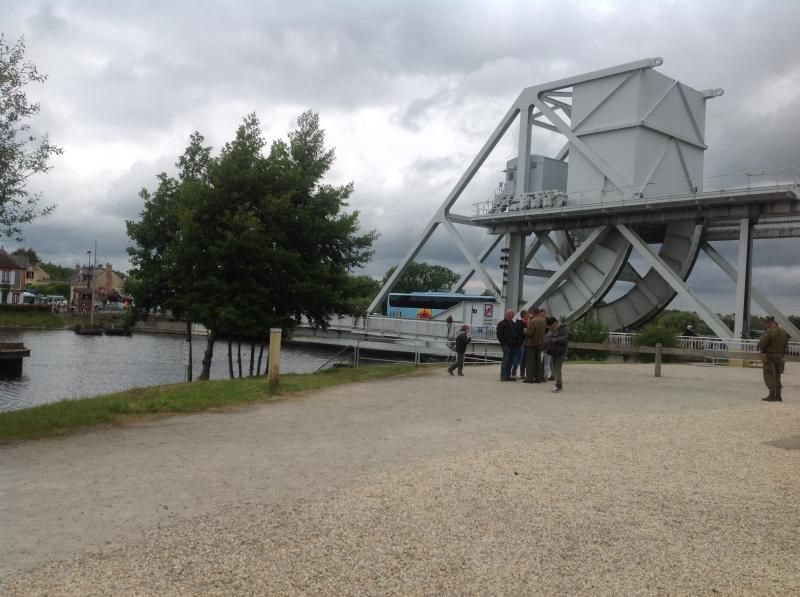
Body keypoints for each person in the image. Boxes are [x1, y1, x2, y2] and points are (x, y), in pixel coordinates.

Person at [758, 315, 789, 402]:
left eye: (766, 324)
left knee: (769, 375)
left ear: (770, 323)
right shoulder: (784, 332)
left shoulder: (770, 332)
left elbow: (761, 344)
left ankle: (772, 395)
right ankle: (778, 396)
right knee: (777, 376)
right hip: (779, 357)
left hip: (769, 357)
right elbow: (786, 345)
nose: (765, 325)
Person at [543, 317, 569, 393]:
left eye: (551, 326)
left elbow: (566, 338)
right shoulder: (552, 329)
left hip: (561, 351)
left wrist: (555, 339)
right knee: (554, 367)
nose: (551, 328)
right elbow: (547, 335)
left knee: (557, 368)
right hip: (554, 351)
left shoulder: (564, 328)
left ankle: (559, 386)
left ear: (555, 323)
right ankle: (558, 384)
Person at [524, 308, 547, 383]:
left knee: (530, 362)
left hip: (532, 343)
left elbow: (530, 333)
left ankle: (530, 378)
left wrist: (525, 330)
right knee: (538, 361)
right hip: (540, 343)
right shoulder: (543, 321)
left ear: (533, 312)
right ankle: (538, 378)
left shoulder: (533, 321)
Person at [496, 309, 517, 381]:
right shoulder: (501, 323)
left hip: (513, 345)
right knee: (506, 360)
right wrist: (503, 344)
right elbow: (499, 335)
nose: (513, 315)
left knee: (511, 361)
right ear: (508, 315)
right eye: (512, 314)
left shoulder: (512, 323)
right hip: (507, 346)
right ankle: (503, 376)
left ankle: (507, 376)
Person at [510, 310, 527, 379]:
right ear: (524, 315)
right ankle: (513, 373)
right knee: (518, 359)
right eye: (527, 314)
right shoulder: (522, 323)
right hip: (520, 343)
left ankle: (521, 373)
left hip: (522, 343)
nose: (528, 315)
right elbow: (524, 333)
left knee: (522, 359)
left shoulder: (520, 322)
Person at [540, 308, 554, 381]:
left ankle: (545, 375)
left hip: (547, 344)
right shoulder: (540, 321)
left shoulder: (548, 321)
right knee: (544, 360)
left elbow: (551, 329)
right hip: (543, 343)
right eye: (541, 315)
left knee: (547, 361)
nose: (542, 316)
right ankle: (544, 374)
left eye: (543, 314)